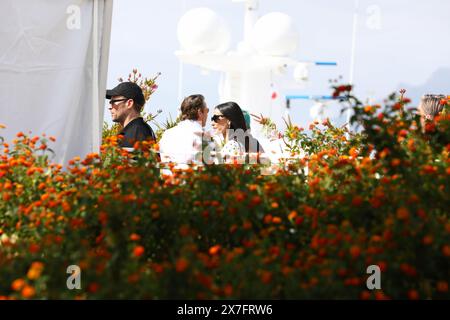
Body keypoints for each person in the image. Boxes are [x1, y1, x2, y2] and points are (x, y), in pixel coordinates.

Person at [159, 94, 209, 165]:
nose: (207, 114)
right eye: (207, 110)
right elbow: (209, 168)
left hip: (168, 174)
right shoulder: (202, 135)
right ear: (200, 112)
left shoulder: (167, 133)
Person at [106, 81, 156, 148]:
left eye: (113, 102)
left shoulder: (138, 133)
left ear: (129, 103)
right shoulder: (135, 131)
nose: (109, 107)